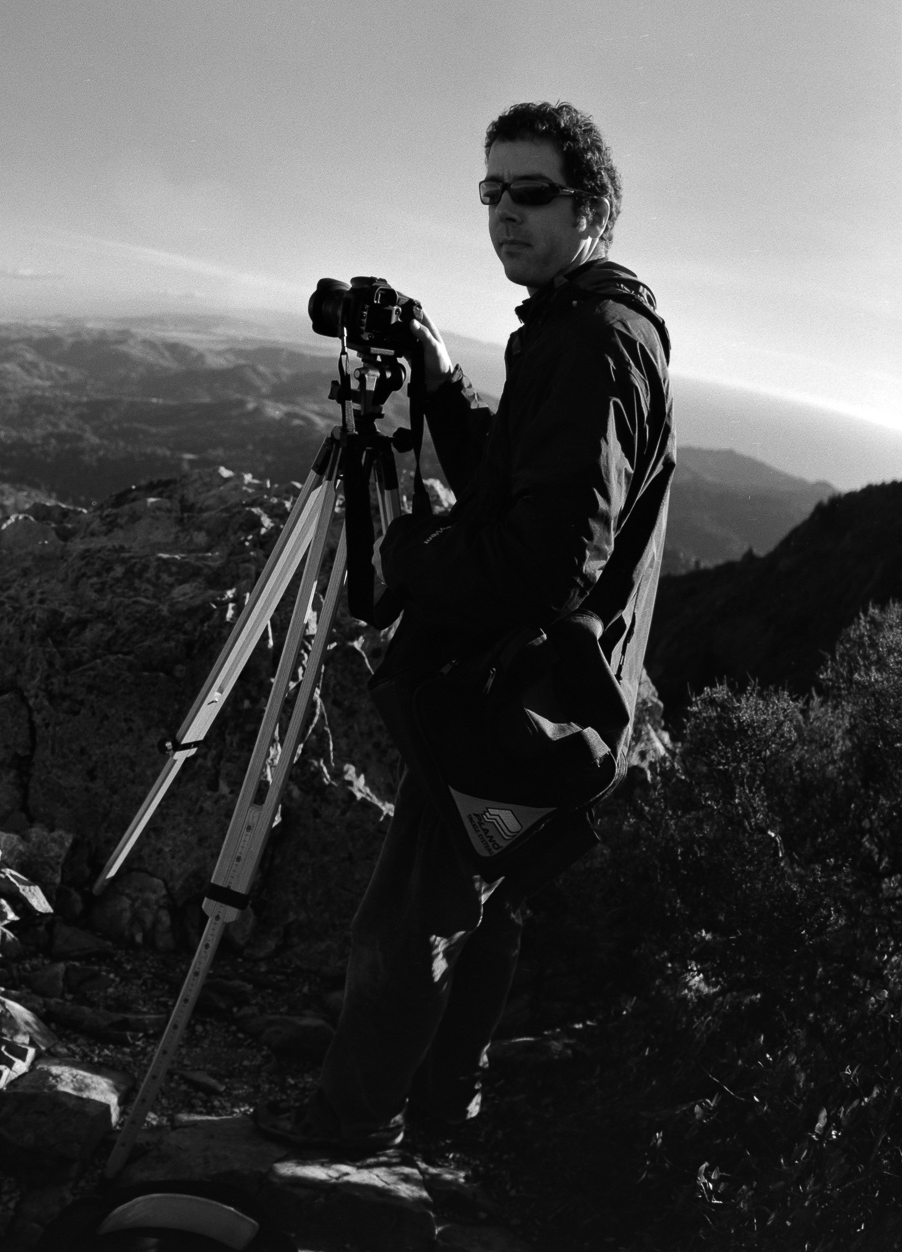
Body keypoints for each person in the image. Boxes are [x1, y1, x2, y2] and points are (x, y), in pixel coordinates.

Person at [256, 101, 676, 1154]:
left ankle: (349, 1132)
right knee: (480, 911)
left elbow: (548, 561)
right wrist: (438, 373)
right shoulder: (575, 327)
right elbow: (512, 480)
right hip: (562, 706)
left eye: (530, 193)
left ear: (593, 207)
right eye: (490, 190)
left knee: (411, 920)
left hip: (528, 704)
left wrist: (413, 565)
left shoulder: (593, 344)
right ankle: (442, 1112)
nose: (503, 214)